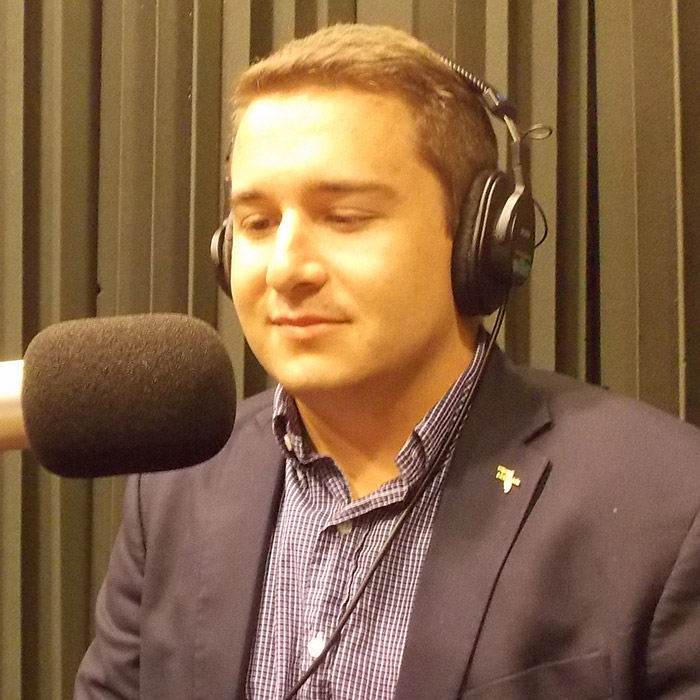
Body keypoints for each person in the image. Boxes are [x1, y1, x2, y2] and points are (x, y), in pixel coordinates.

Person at [74, 23, 700, 700]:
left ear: (481, 242)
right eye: (257, 223)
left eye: (344, 216)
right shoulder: (176, 485)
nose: (284, 268)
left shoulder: (666, 508)